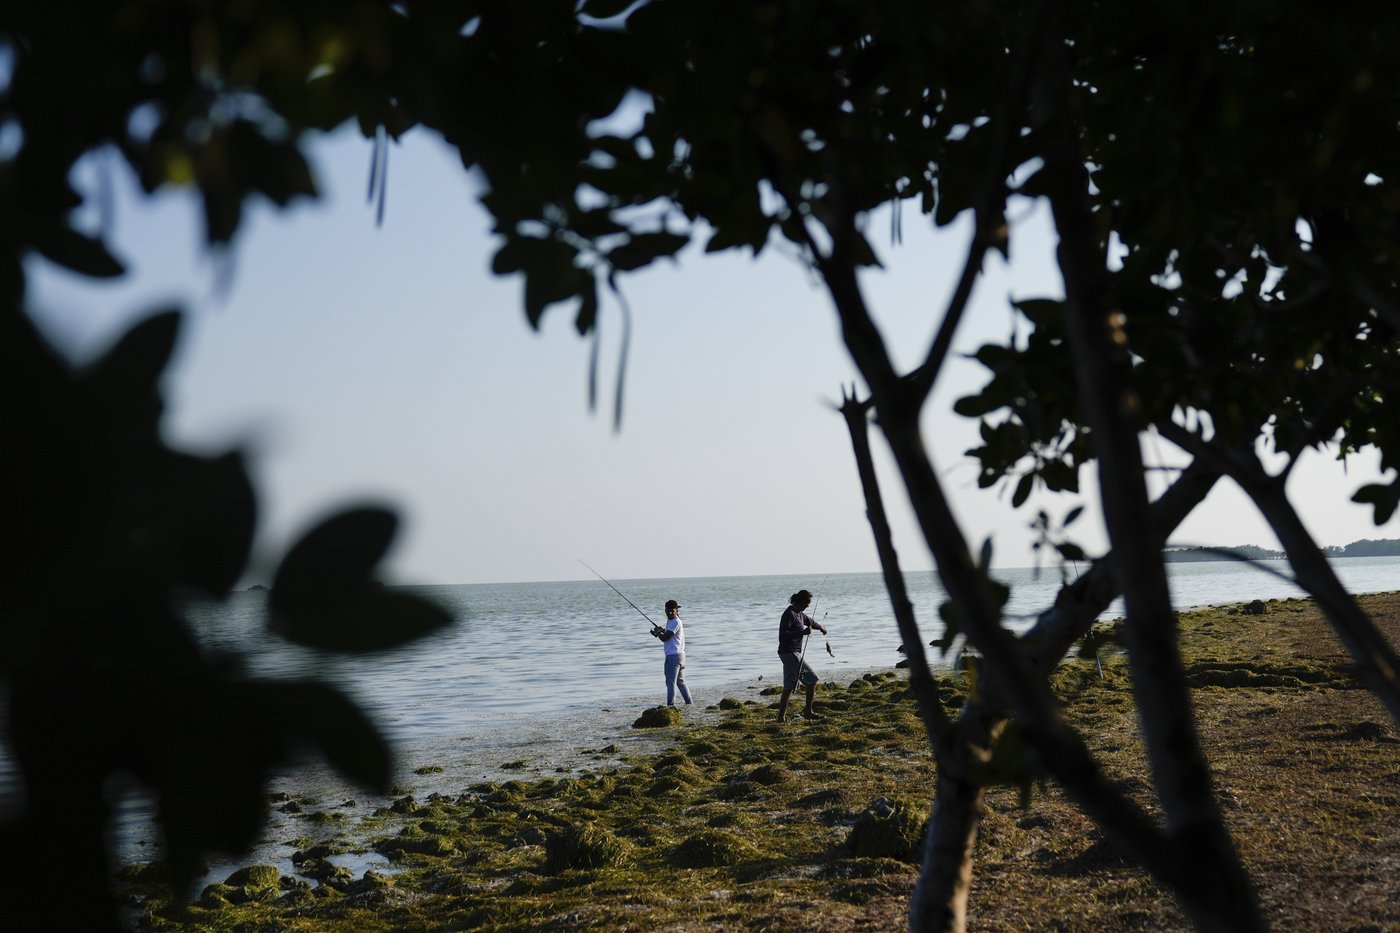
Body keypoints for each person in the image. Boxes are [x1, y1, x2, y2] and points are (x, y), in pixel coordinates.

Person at [777, 589, 826, 722]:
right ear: (802, 601)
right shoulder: (789, 614)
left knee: (789, 686)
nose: (808, 606)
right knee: (812, 679)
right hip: (789, 652)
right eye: (808, 603)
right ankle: (808, 712)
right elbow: (782, 636)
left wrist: (820, 627)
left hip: (791, 653)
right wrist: (802, 633)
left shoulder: (799, 614)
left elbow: (809, 621)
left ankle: (781, 718)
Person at [650, 598, 692, 706]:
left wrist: (658, 633)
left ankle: (670, 706)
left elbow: (665, 638)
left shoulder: (675, 621)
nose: (669, 613)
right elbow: (669, 635)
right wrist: (661, 631)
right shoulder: (673, 621)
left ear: (677, 610)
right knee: (680, 682)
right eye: (667, 611)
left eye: (672, 611)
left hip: (673, 657)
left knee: (670, 683)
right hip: (680, 656)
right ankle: (689, 703)